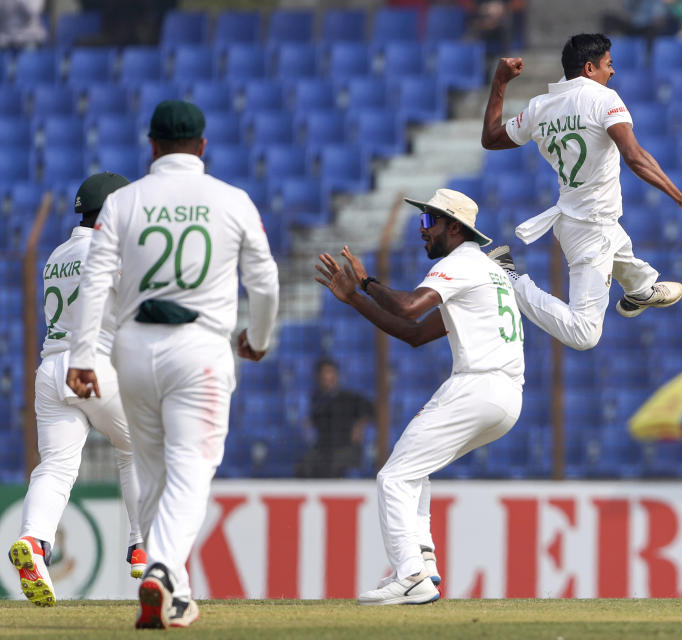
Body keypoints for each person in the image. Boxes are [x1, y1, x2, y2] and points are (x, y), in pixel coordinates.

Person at [66, 100, 279, 629]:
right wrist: (258, 337)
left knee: (153, 471)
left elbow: (95, 281)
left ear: (152, 145)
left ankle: (174, 593)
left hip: (133, 349)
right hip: (201, 348)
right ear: (202, 146)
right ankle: (160, 569)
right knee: (191, 471)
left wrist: (83, 354)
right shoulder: (231, 200)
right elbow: (266, 281)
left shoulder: (124, 201)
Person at [314, 188, 524, 606]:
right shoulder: (487, 270)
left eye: (428, 222)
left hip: (478, 384)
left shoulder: (461, 263)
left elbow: (409, 308)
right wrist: (355, 297)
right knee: (414, 469)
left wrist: (367, 281)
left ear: (453, 227)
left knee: (393, 478)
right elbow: (414, 335)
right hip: (507, 395)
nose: (422, 231)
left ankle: (410, 574)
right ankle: (423, 562)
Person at [480, 33, 682, 351]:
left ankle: (640, 290)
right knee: (584, 334)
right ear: (589, 68)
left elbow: (490, 138)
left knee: (619, 246)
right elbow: (634, 156)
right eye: (608, 65)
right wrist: (681, 198)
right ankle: (508, 278)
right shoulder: (604, 99)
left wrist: (501, 81)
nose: (611, 72)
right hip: (591, 226)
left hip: (579, 217)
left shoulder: (539, 107)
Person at [8, 172, 146, 608]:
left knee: (55, 468)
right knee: (140, 445)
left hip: (50, 371)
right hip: (92, 365)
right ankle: (142, 545)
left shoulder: (55, 255)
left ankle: (33, 542)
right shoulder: (110, 251)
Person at [295, 358, 373, 478]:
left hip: (346, 448)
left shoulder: (348, 398)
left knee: (331, 466)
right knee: (304, 466)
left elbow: (372, 410)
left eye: (330, 372)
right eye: (324, 373)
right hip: (323, 448)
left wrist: (360, 425)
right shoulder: (316, 400)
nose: (327, 377)